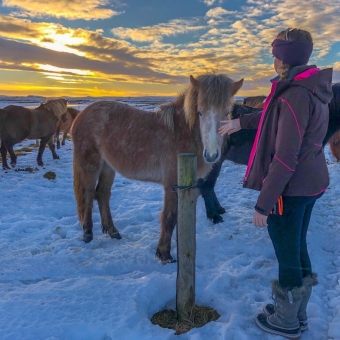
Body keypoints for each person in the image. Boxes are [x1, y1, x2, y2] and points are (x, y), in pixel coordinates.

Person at [219, 28, 333, 339]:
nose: (272, 59)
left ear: (283, 58)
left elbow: (284, 159)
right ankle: (296, 314)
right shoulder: (308, 86)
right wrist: (239, 122)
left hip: (292, 188)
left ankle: (286, 322)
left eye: (274, 53)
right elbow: (273, 115)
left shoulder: (294, 94)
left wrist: (263, 204)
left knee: (286, 252)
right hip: (312, 181)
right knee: (297, 247)